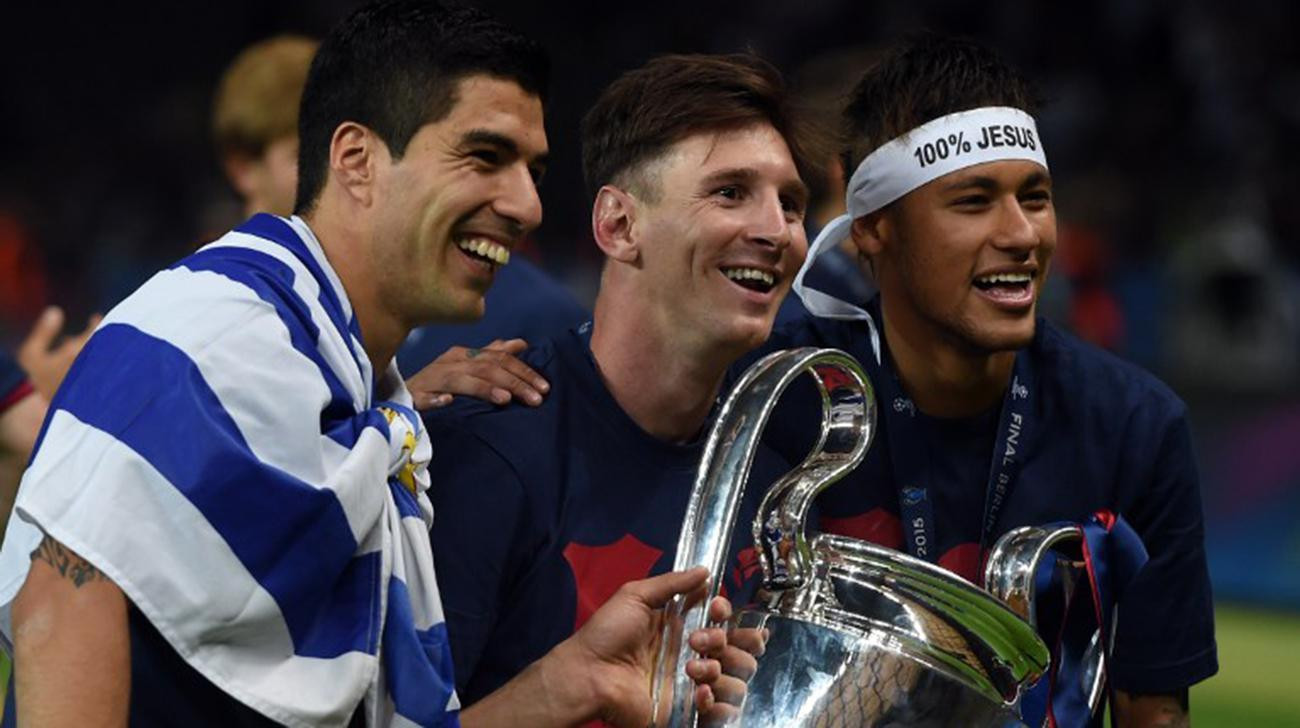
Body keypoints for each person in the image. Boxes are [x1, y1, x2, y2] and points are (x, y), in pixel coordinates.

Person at [0, 2, 736, 726]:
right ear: (356, 160)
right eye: (484, 156)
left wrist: (567, 684)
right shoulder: (210, 330)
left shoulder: (360, 396)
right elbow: (60, 595)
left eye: (533, 170)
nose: (526, 205)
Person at [758, 34, 1217, 727]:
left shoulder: (1135, 426)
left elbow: (1154, 713)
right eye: (973, 201)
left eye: (1035, 197)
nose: (1022, 234)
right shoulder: (781, 395)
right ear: (873, 229)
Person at [425, 53, 814, 720]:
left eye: (791, 203)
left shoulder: (773, 489)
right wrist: (566, 689)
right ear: (618, 226)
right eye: (730, 192)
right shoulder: (485, 451)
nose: (777, 231)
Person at [212, 32, 574, 412]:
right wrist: (398, 414)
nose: (528, 208)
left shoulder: (532, 312)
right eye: (306, 152)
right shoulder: (222, 322)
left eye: (533, 173)